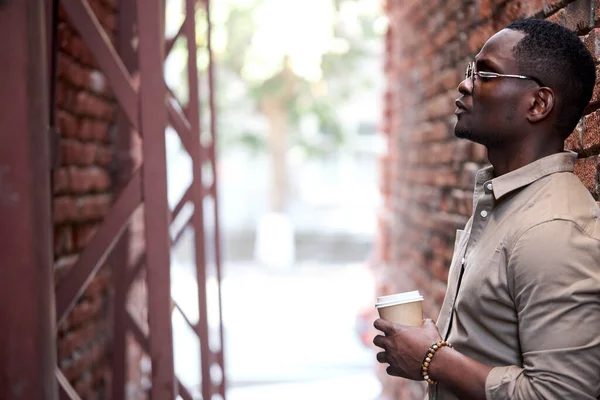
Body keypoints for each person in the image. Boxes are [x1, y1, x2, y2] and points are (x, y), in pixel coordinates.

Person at [373, 17, 600, 400]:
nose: (465, 84)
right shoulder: (507, 204)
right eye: (469, 71)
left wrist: (432, 359)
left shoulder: (552, 228)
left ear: (538, 103)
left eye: (486, 74)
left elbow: (562, 393)